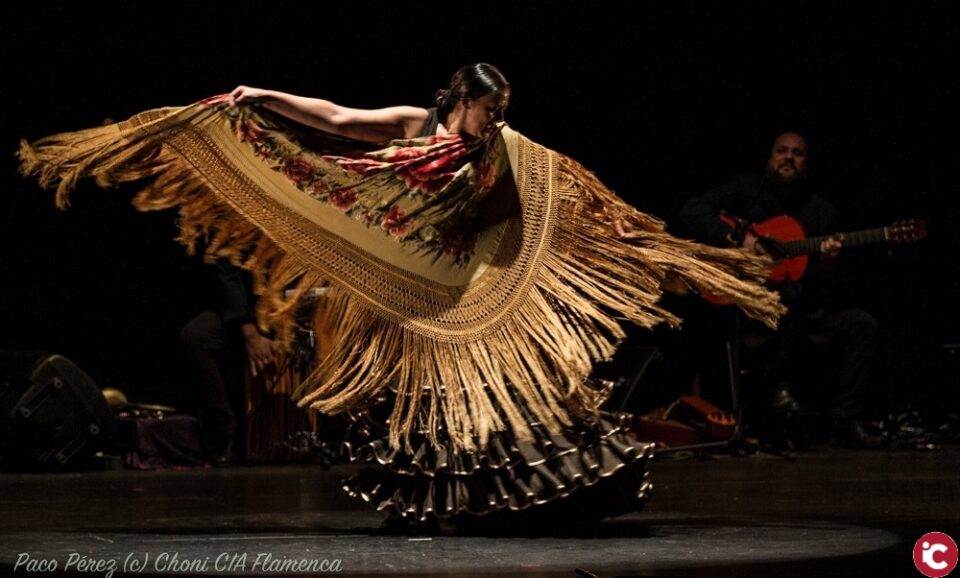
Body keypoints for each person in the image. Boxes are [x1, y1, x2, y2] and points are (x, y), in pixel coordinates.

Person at [19, 63, 784, 532]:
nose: (497, 121)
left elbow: (555, 192)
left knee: (500, 407)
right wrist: (265, 96)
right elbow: (335, 118)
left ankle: (528, 500)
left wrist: (612, 227)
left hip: (469, 288)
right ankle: (441, 506)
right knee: (419, 414)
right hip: (410, 292)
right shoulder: (414, 125)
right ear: (460, 99)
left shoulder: (503, 152)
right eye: (489, 109)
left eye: (504, 111)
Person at [678, 131, 883, 448]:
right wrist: (736, 238)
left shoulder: (821, 211)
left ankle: (844, 420)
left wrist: (828, 264)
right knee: (785, 294)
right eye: (782, 151)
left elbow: (824, 288)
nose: (789, 158)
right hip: (746, 307)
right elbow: (691, 210)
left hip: (802, 311)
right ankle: (778, 389)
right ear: (769, 157)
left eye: (798, 153)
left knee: (862, 324)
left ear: (807, 163)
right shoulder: (745, 189)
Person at [180, 259, 276, 467]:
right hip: (248, 308)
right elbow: (226, 273)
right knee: (197, 337)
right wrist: (249, 331)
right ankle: (224, 429)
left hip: (285, 303)